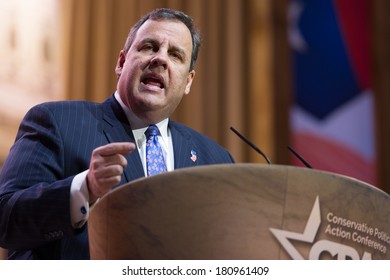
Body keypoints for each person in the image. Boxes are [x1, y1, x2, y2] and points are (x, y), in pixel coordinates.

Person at [0, 8, 234, 259]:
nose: (160, 58)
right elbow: (5, 219)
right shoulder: (58, 122)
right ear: (121, 63)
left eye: (175, 54)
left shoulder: (216, 160)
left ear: (188, 81)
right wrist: (84, 189)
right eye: (149, 47)